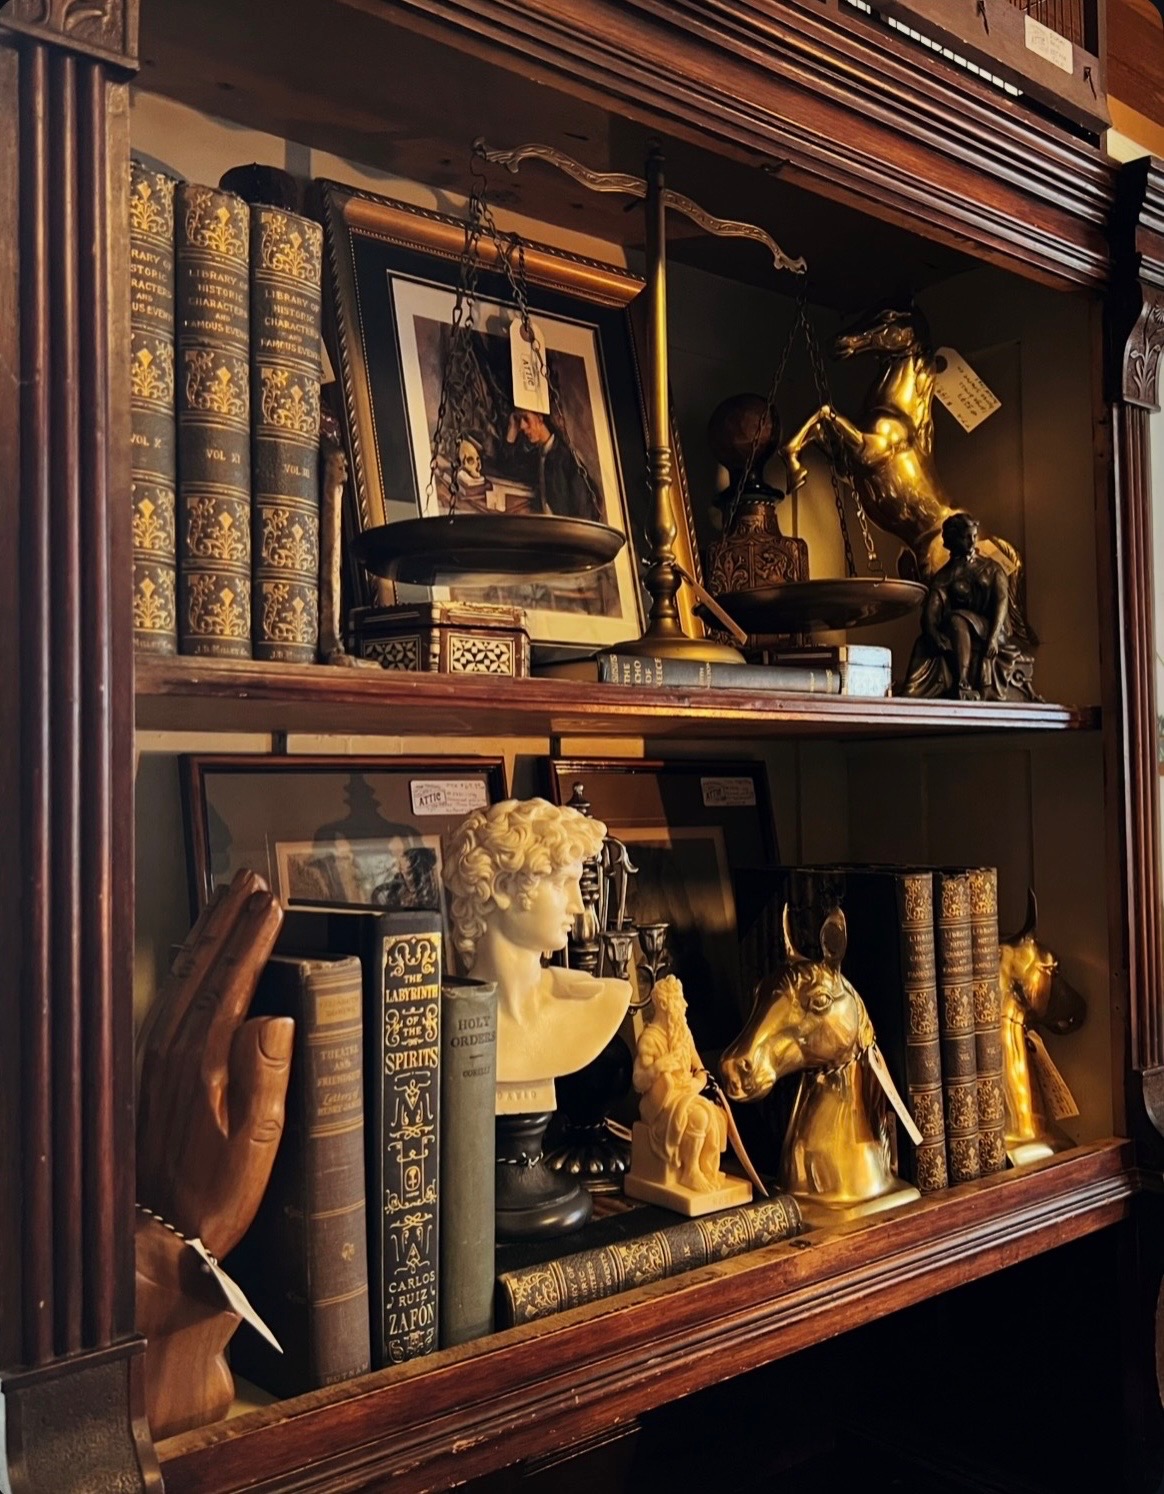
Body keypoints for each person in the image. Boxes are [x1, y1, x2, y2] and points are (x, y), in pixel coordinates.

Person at [443, 798, 630, 1098]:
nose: (579, 906)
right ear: (502, 888)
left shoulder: (596, 1003)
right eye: (560, 884)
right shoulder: (442, 1026)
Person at [897, 511, 1038, 702]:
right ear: (952, 542)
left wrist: (994, 638)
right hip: (962, 629)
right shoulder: (945, 576)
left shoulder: (991, 568)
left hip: (993, 628)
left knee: (957, 619)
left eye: (974, 535)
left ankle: (962, 683)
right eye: (966, 537)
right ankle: (912, 694)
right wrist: (932, 631)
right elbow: (932, 610)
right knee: (924, 643)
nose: (972, 541)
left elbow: (1001, 604)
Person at [632, 974, 727, 1192]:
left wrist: (697, 1084)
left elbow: (701, 1070)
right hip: (661, 1103)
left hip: (685, 1093)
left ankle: (704, 1168)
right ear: (665, 1005)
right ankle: (689, 1171)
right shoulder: (650, 1039)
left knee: (715, 1116)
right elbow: (638, 1082)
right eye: (678, 1000)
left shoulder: (684, 1034)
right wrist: (659, 1067)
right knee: (699, 1116)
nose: (684, 1005)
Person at [505, 407, 603, 522]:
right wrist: (512, 431)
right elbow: (509, 468)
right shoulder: (537, 456)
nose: (522, 426)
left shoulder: (566, 459)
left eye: (526, 419)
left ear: (540, 418)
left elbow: (583, 513)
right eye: (518, 419)